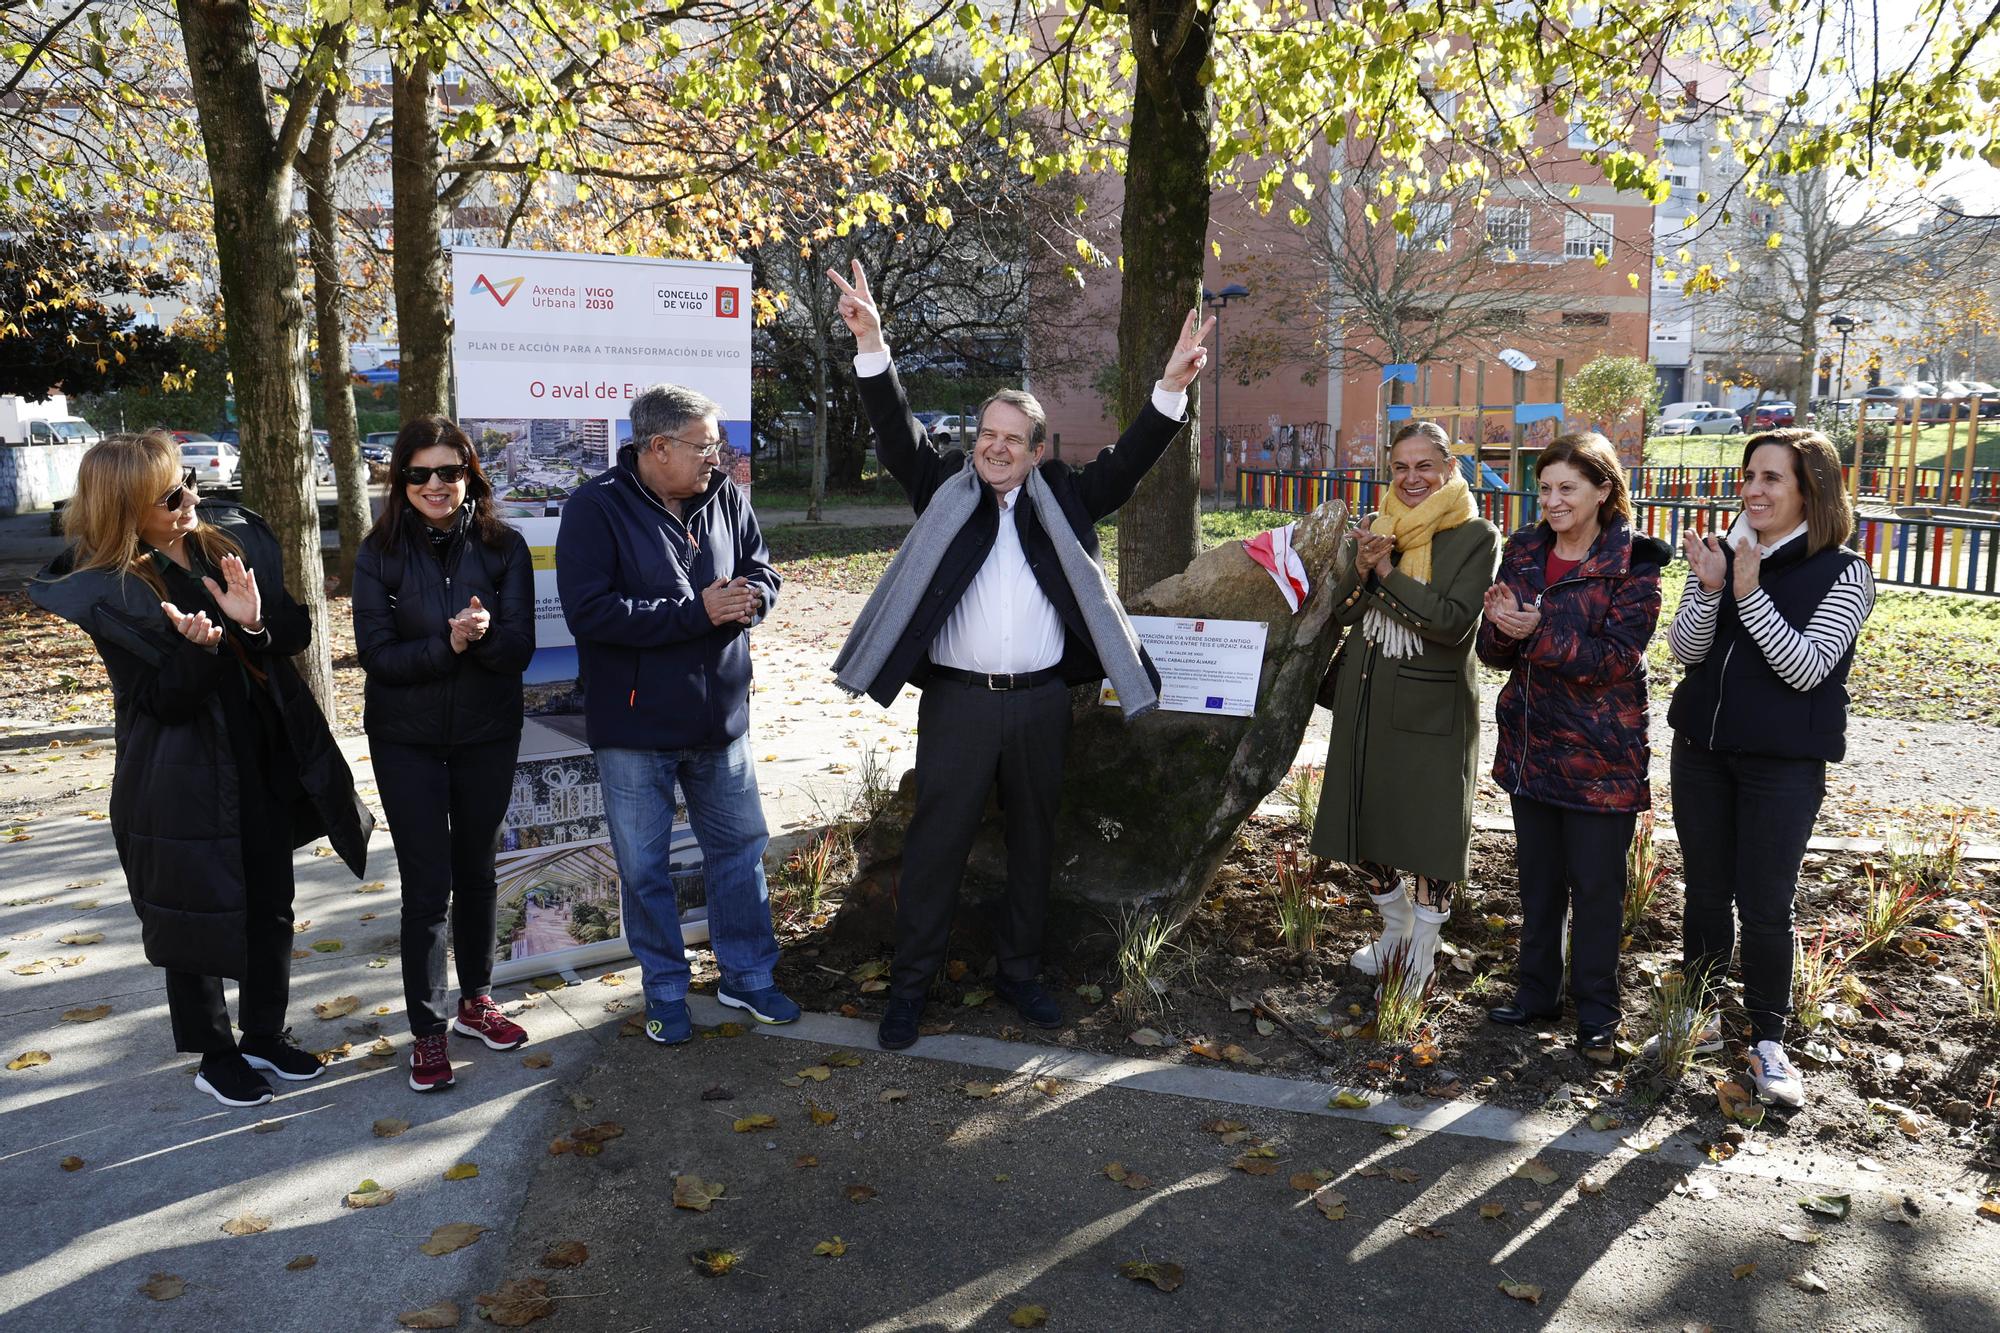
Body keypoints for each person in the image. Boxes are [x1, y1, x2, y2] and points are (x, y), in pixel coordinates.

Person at [827, 259, 1210, 1051]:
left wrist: (1170, 386)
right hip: (960, 703)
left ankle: (1020, 973)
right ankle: (910, 988)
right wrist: (874, 346)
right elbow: (898, 435)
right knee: (936, 848)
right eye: (986, 436)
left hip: (1041, 702)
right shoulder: (943, 487)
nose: (995, 450)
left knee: (1036, 841)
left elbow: (1131, 461)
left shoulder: (1065, 496)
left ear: (1037, 451)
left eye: (1012, 440)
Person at [29, 432, 372, 1108]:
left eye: (186, 480)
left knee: (272, 903)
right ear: (125, 506)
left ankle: (264, 1034)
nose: (190, 499)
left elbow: (295, 631)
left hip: (263, 756)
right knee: (196, 916)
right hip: (181, 773)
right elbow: (158, 702)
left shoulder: (226, 544)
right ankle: (215, 1055)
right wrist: (195, 650)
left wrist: (251, 626)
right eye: (168, 495)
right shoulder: (113, 588)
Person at [556, 384, 797, 1046]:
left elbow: (762, 569)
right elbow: (590, 612)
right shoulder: (594, 508)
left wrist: (754, 598)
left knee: (740, 852)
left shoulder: (723, 495)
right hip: (635, 731)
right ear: (658, 447)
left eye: (718, 444)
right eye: (704, 444)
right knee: (644, 869)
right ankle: (664, 988)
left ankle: (745, 976)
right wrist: (697, 613)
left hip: (722, 719)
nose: (716, 457)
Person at [1665, 427, 1874, 1109]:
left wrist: (1750, 595)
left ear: (1811, 489)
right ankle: (1694, 1015)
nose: (1753, 489)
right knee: (1704, 890)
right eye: (1749, 475)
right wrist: (1708, 587)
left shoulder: (1845, 571)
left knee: (1763, 906)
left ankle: (1768, 1041)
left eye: (1771, 478)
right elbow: (1686, 650)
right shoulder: (1728, 553)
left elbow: (1808, 667)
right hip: (1701, 753)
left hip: (1781, 767)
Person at [353, 416, 536, 1092]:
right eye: (421, 472)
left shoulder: (503, 547)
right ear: (401, 481)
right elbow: (377, 656)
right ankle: (428, 1032)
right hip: (406, 740)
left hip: (487, 733)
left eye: (449, 471)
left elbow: (518, 651)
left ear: (470, 477)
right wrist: (449, 646)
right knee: (428, 887)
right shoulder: (378, 554)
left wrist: (482, 636)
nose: (436, 484)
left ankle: (476, 1001)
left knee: (479, 871)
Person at [1475, 431, 1671, 1055]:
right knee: (1537, 883)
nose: (1553, 502)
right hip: (1532, 747)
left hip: (1601, 756)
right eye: (1546, 489)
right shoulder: (1526, 549)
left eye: (1568, 488)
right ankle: (1536, 995)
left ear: (1604, 490)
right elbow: (1492, 654)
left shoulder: (1636, 563)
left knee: (1595, 889)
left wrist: (1535, 632)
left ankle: (1597, 1015)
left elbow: (1617, 660)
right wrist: (1502, 626)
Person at [1311, 420, 1500, 995]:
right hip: (1365, 695)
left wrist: (1387, 573)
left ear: (1449, 468)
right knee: (1359, 821)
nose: (1411, 478)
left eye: (1424, 466)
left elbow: (1450, 623)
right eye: (1400, 467)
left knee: (1428, 831)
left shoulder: (1477, 535)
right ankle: (1395, 927)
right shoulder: (1375, 525)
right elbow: (1343, 612)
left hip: (1431, 707)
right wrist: (1363, 568)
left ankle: (1424, 944)